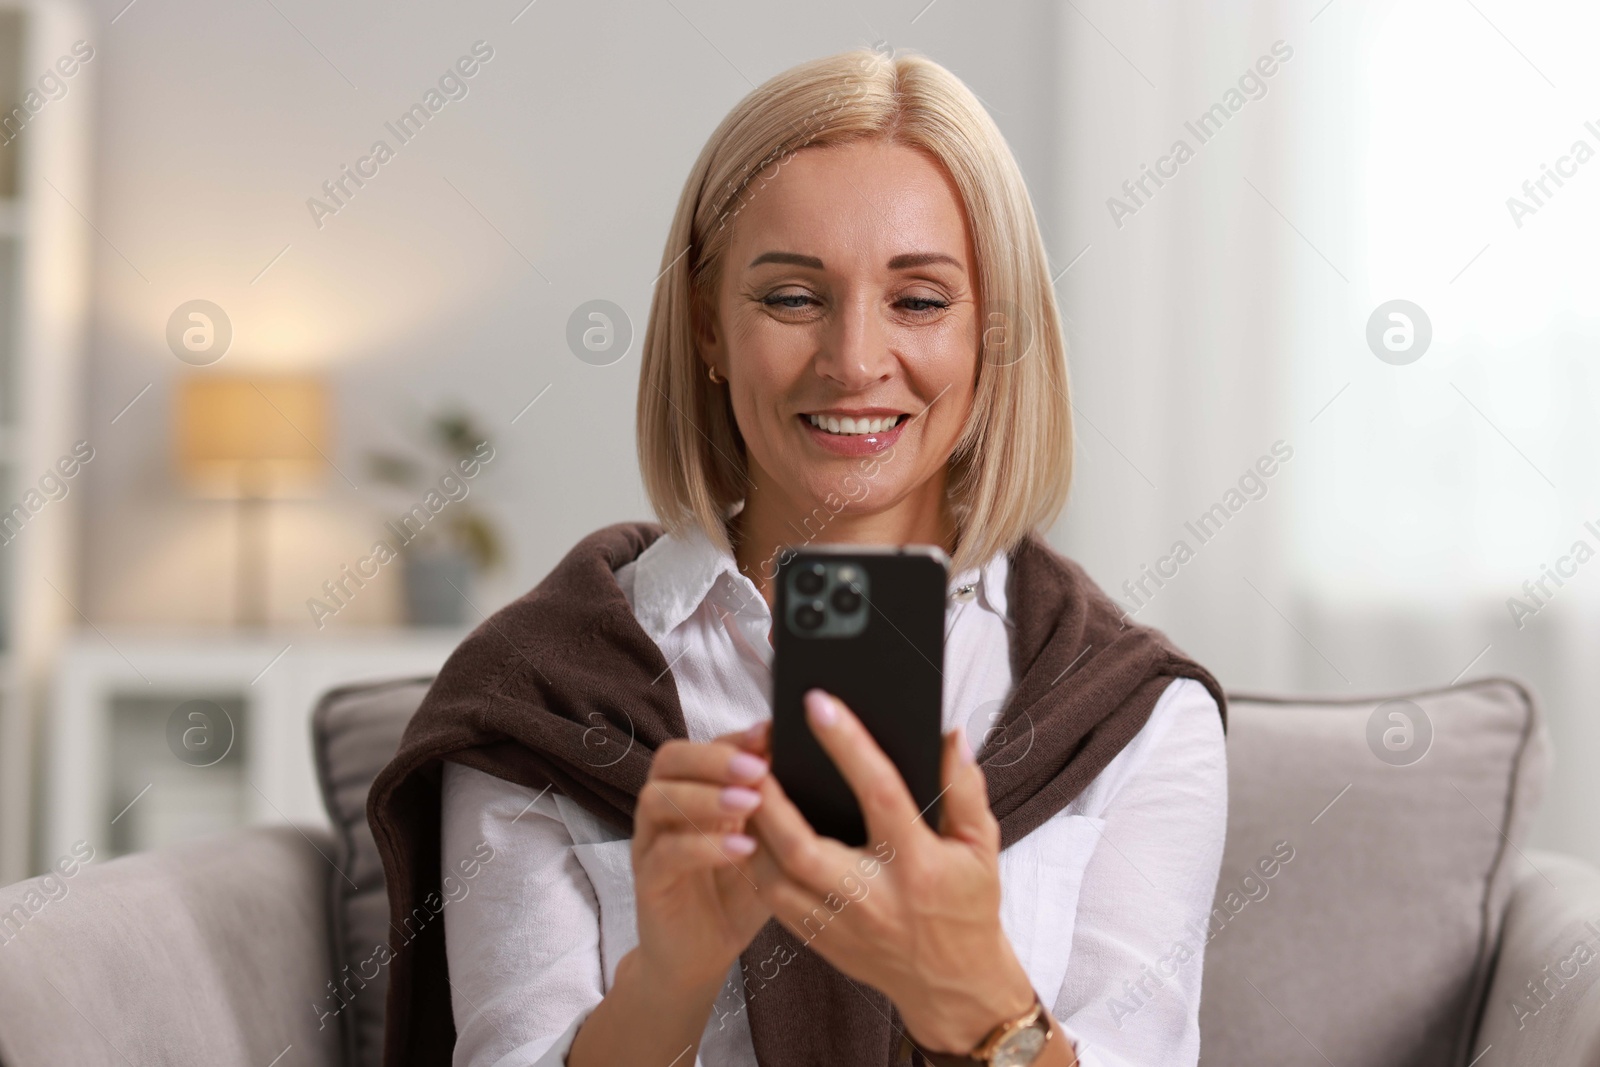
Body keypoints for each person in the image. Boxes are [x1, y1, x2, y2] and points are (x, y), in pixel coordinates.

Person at [368, 46, 1228, 1067]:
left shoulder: (1132, 717)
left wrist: (982, 1005)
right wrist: (668, 979)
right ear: (707, 327)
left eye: (919, 300)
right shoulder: (542, 697)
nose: (856, 360)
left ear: (993, 334)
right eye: (790, 297)